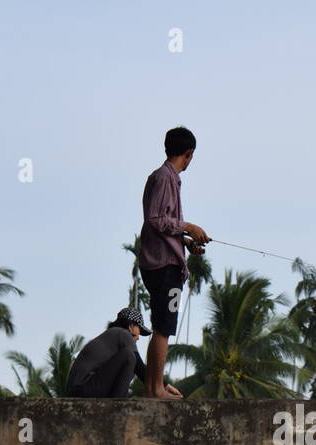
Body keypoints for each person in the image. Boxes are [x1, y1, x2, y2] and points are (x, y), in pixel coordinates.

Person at [138, 126, 209, 398]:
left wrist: (187, 242)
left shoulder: (168, 179)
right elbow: (155, 220)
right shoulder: (164, 178)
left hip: (165, 259)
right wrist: (188, 226)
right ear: (189, 154)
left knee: (162, 326)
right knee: (163, 327)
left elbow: (164, 224)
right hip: (163, 266)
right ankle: (154, 389)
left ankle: (154, 386)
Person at [66, 307, 181, 399]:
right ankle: (119, 405)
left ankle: (115, 401)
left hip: (81, 389)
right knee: (129, 356)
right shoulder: (123, 333)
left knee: (130, 362)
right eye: (139, 330)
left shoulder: (112, 336)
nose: (139, 337)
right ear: (131, 326)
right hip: (82, 389)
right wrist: (164, 386)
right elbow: (140, 368)